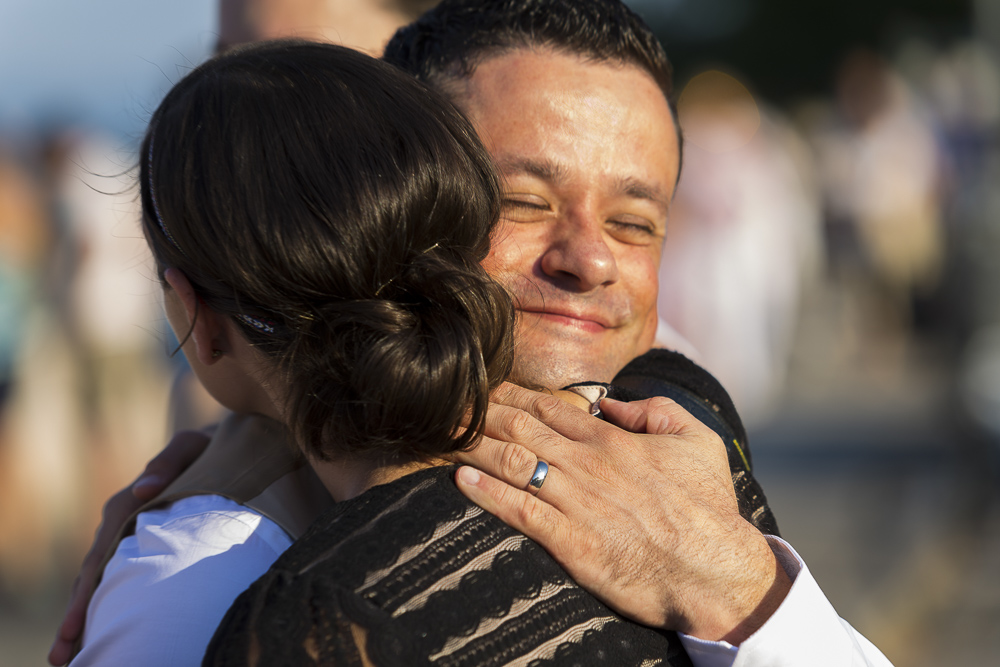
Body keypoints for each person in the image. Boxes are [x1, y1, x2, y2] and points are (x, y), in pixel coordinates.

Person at [52, 2, 892, 666]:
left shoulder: (683, 435)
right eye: (524, 201)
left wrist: (743, 590)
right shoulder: (217, 570)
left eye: (636, 221)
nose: (591, 258)